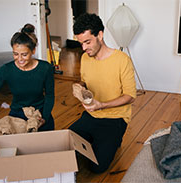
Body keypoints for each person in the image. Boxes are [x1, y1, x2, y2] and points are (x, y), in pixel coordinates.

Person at [69, 13, 136, 173]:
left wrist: (102, 105)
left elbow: (130, 96)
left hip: (115, 119)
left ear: (100, 34)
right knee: (63, 143)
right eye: (81, 43)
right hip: (91, 116)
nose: (84, 48)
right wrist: (78, 86)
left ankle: (111, 139)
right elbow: (85, 81)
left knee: (97, 167)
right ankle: (96, 140)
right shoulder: (86, 58)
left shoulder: (122, 60)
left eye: (87, 42)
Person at [0, 24, 55, 142]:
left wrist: (44, 117)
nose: (19, 59)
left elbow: (50, 95)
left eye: (24, 54)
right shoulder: (6, 70)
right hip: (17, 115)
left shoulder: (45, 68)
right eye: (15, 54)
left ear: (33, 51)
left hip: (40, 114)